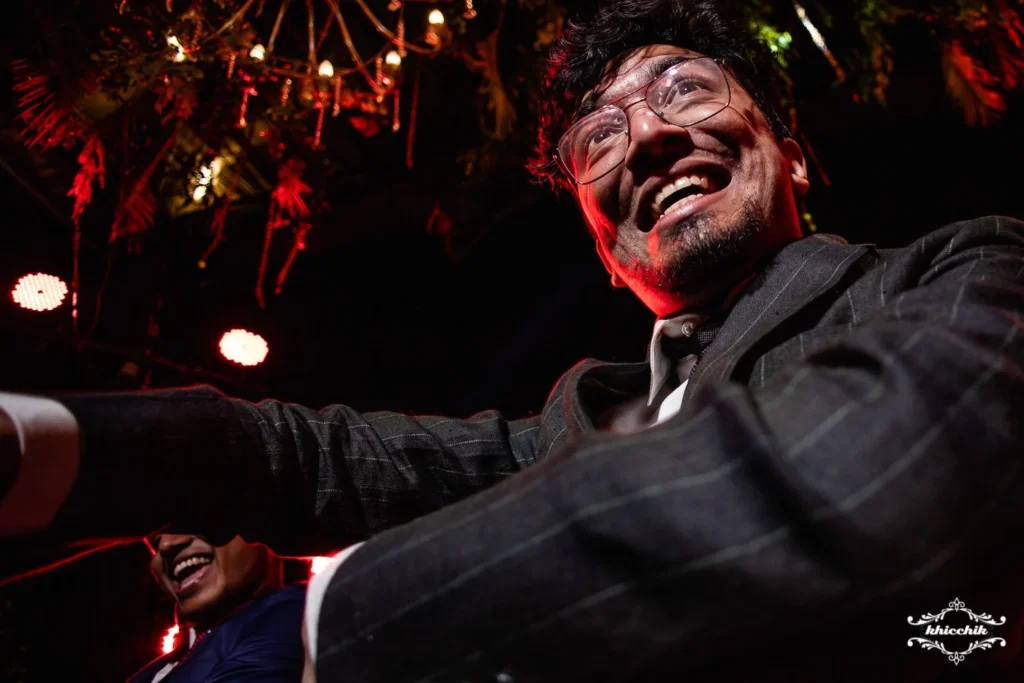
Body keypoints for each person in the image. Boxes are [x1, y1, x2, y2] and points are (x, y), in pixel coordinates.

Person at [2, 1, 1024, 680]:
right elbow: (317, 456)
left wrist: (339, 625)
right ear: (605, 249)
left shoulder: (961, 269)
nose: (648, 137)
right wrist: (37, 448)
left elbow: (888, 471)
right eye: (600, 135)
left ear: (792, 157)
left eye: (684, 89)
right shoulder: (577, 417)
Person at [128, 533, 306, 683]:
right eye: (155, 540)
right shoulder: (155, 670)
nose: (165, 544)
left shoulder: (293, 616)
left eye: (189, 521)